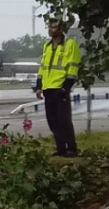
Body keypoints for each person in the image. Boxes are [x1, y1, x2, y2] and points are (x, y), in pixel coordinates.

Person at [34, 19, 81, 157]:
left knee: (64, 120)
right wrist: (39, 86)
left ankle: (72, 148)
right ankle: (61, 148)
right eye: (49, 27)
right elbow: (43, 68)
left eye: (54, 27)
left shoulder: (70, 45)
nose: (51, 29)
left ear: (61, 29)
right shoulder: (47, 46)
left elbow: (73, 68)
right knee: (53, 121)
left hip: (60, 88)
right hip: (48, 88)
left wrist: (66, 87)